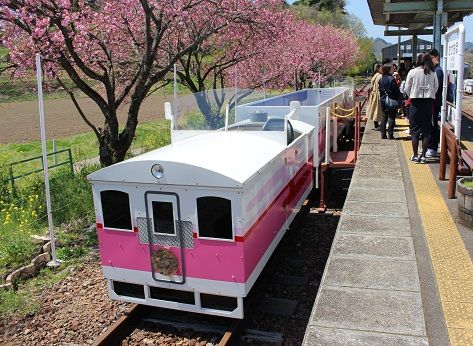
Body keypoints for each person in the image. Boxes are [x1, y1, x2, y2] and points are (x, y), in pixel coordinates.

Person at [404, 53, 439, 164]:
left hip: (415, 103)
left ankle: (415, 156)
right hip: (428, 104)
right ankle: (423, 156)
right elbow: (436, 88)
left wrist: (412, 95)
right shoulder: (432, 72)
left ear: (419, 61)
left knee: (414, 131)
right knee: (426, 131)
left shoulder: (412, 72)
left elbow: (406, 88)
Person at [426, 49, 443, 158]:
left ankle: (432, 148)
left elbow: (435, 88)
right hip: (434, 102)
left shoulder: (438, 71)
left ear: (436, 57)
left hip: (434, 102)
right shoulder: (437, 70)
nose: (430, 61)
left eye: (431, 58)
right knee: (432, 124)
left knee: (433, 125)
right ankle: (431, 147)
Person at [379, 63, 401, 139]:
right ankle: (390, 135)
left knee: (384, 116)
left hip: (383, 99)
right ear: (389, 70)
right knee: (391, 117)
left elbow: (380, 90)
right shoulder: (391, 79)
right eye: (392, 68)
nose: (393, 70)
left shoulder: (381, 78)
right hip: (391, 100)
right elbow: (396, 91)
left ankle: (383, 134)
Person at [366, 64, 383, 130]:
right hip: (378, 94)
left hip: (374, 94)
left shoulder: (375, 75)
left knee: (374, 109)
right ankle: (378, 125)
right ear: (378, 68)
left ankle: (376, 125)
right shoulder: (380, 76)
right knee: (378, 110)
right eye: (381, 68)